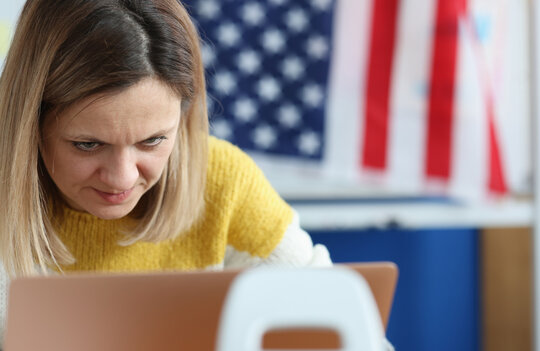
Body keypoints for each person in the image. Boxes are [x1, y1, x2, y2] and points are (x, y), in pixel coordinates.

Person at [0, 0, 334, 278]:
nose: (122, 178)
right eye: (88, 145)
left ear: (183, 118)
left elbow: (341, 322)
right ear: (31, 124)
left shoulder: (222, 181)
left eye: (153, 141)